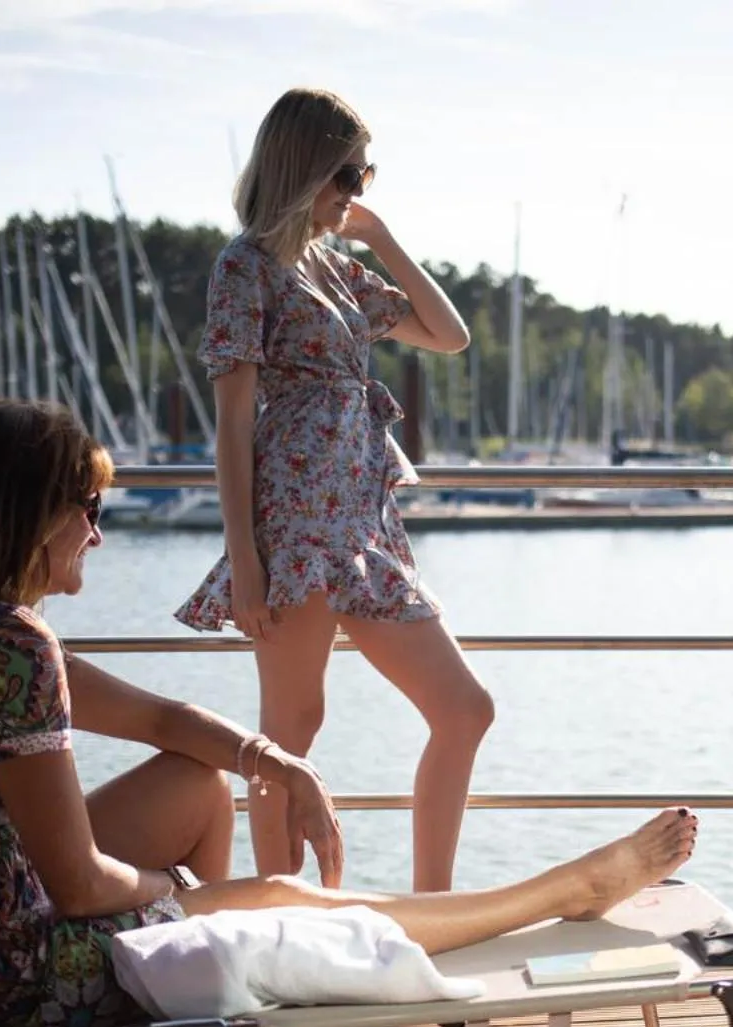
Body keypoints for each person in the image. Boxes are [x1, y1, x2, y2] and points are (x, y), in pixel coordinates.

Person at [0, 400, 698, 1027]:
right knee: (275, 896)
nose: (98, 529)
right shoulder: (8, 645)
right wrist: (189, 893)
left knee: (202, 785)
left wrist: (274, 760)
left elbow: (165, 722)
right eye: (89, 507)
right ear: (29, 514)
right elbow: (79, 883)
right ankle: (558, 892)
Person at [175, 88, 486, 894]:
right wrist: (244, 560)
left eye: (365, 173)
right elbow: (234, 424)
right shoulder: (244, 266)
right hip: (295, 521)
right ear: (301, 164)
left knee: (464, 710)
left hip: (363, 525)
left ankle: (433, 912)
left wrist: (381, 236)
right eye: (346, 173)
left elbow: (448, 334)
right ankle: (286, 924)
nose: (356, 190)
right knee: (291, 730)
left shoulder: (335, 264)